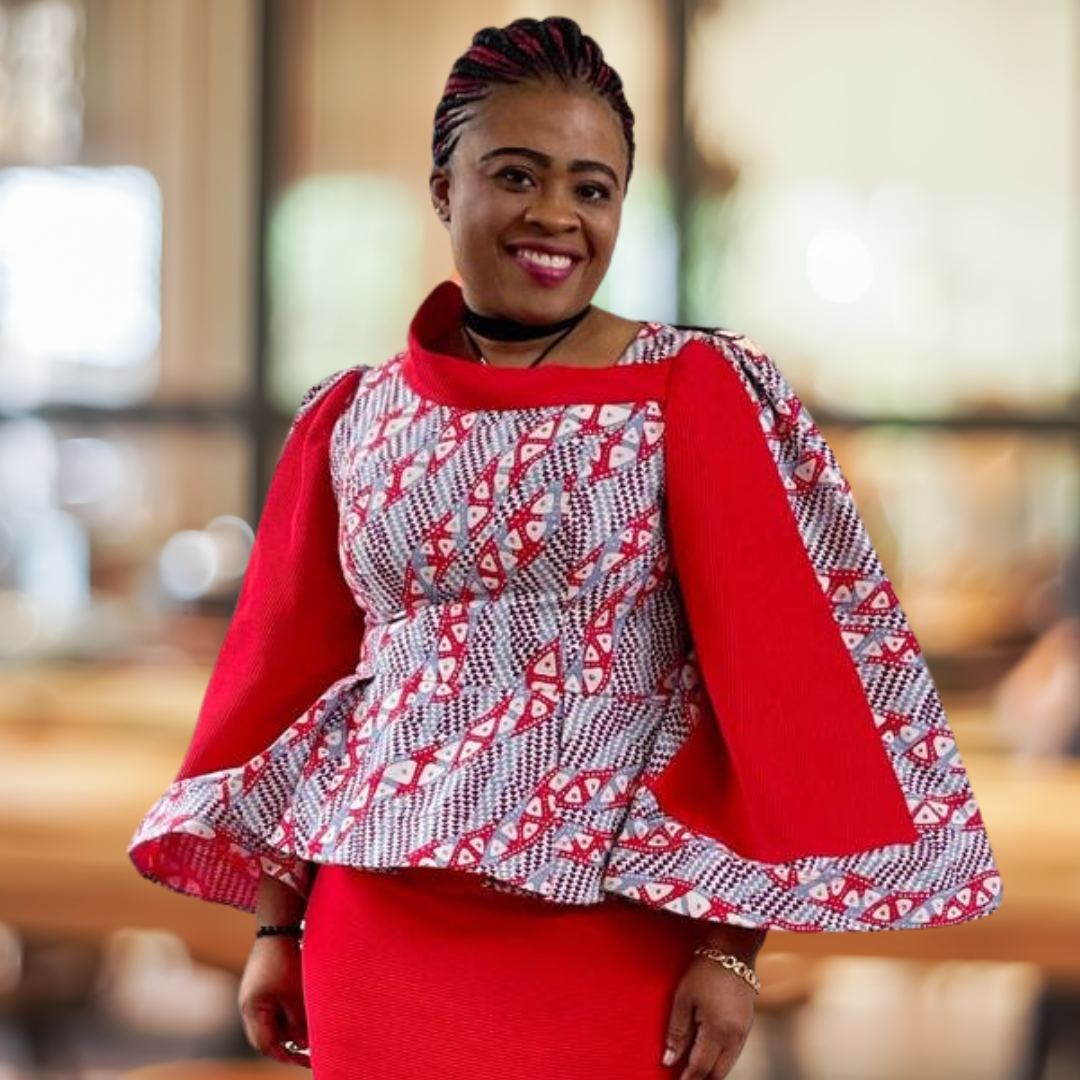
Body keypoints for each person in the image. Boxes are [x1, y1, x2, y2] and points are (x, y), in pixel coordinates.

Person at [130, 16, 1001, 1080]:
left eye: (593, 188)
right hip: (376, 916)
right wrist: (279, 927)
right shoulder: (350, 418)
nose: (556, 214)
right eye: (517, 174)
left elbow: (775, 686)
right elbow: (302, 688)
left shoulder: (697, 393)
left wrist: (732, 947)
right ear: (446, 189)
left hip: (610, 923)